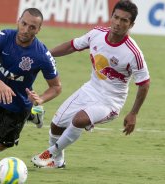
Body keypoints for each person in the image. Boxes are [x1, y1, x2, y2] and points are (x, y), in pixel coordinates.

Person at [31, 0, 150, 168]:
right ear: (111, 16)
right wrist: (46, 55)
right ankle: (58, 162)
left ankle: (50, 153)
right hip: (90, 90)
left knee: (79, 120)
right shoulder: (97, 34)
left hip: (110, 102)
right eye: (116, 17)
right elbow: (72, 46)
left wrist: (133, 113)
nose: (118, 23)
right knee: (57, 125)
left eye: (124, 20)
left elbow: (144, 84)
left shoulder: (133, 53)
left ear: (131, 24)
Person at [0, 8, 61, 152]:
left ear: (38, 30)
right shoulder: (4, 36)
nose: (26, 29)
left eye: (32, 27)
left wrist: (40, 99)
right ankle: (33, 115)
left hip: (18, 106)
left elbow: (56, 87)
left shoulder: (42, 55)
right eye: (24, 23)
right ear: (18, 21)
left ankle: (31, 112)